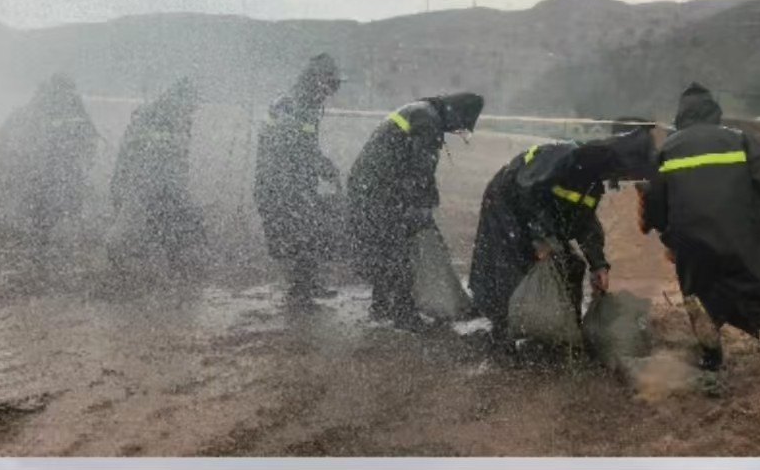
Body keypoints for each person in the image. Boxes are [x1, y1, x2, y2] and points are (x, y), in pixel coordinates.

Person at [639, 83, 760, 393]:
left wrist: (668, 239)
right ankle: (750, 325)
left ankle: (711, 358)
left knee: (697, 295)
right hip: (740, 236)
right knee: (744, 281)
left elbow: (656, 202)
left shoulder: (667, 148)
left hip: (690, 241)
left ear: (681, 115)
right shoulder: (739, 140)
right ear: (715, 112)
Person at [470, 129, 655, 348]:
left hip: (536, 216)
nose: (626, 179)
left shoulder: (592, 183)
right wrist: (543, 240)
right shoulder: (563, 159)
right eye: (626, 174)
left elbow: (585, 223)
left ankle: (563, 327)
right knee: (512, 266)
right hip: (506, 205)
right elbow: (528, 193)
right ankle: (503, 331)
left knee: (572, 265)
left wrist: (598, 264)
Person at [346, 92, 485, 330]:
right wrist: (422, 206)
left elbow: (411, 166)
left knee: (386, 244)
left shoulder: (420, 110)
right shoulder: (427, 120)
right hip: (382, 190)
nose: (455, 131)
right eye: (458, 126)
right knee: (400, 247)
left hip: (368, 186)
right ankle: (403, 313)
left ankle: (381, 304)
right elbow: (421, 169)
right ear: (455, 113)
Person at [254, 54, 344, 306]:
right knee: (301, 231)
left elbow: (306, 147)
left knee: (309, 229)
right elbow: (289, 147)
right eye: (328, 85)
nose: (329, 93)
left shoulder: (306, 104)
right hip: (279, 183)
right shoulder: (291, 104)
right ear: (316, 81)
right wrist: (320, 166)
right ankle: (300, 290)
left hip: (296, 182)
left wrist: (323, 166)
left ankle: (306, 284)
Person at [108, 78, 206, 284]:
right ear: (182, 100)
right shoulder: (156, 118)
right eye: (191, 105)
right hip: (144, 185)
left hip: (164, 186)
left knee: (174, 229)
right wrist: (125, 184)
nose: (192, 112)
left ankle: (172, 273)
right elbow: (131, 155)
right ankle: (122, 272)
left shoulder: (179, 120)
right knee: (128, 233)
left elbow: (179, 158)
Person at [0, 72, 99, 241]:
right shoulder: (58, 108)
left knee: (34, 206)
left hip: (42, 169)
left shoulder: (38, 108)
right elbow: (86, 141)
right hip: (44, 170)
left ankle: (36, 221)